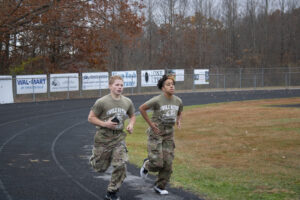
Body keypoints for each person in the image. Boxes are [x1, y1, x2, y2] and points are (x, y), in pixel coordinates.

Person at [88, 75, 136, 200]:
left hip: (119, 138)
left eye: (121, 85)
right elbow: (91, 118)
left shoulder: (127, 101)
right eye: (117, 85)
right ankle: (96, 158)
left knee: (121, 165)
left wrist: (130, 125)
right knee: (99, 168)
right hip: (103, 138)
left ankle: (112, 192)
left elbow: (132, 115)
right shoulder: (102, 102)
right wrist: (105, 124)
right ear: (110, 86)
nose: (120, 87)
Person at [139, 74, 183, 195]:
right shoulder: (157, 100)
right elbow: (142, 108)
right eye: (168, 85)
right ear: (163, 88)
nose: (171, 86)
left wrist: (179, 120)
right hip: (156, 133)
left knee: (168, 163)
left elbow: (180, 111)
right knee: (157, 163)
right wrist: (151, 124)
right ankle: (147, 164)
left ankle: (160, 186)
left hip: (169, 135)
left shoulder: (178, 100)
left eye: (173, 84)